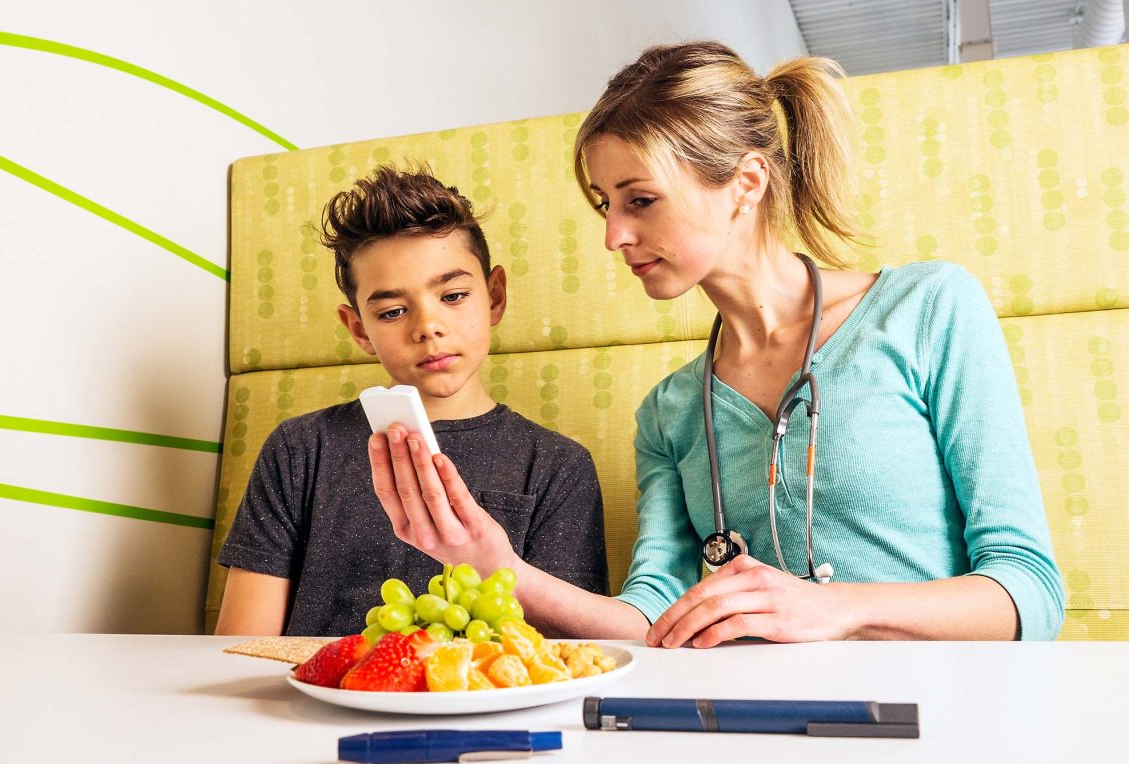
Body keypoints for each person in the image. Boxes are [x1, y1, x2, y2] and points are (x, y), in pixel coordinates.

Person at [367, 42, 1065, 645]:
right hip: (771, 720)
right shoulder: (669, 412)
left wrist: (831, 610)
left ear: (746, 181)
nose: (613, 235)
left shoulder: (927, 308)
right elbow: (652, 618)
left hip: (942, 714)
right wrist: (502, 572)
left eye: (638, 200)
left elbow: (1029, 592)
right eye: (604, 204)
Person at [214, 165, 609, 637]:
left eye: (454, 295)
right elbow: (240, 646)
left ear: (495, 296)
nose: (428, 327)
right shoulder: (299, 449)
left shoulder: (558, 465)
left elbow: (561, 654)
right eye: (393, 311)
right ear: (359, 329)